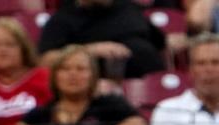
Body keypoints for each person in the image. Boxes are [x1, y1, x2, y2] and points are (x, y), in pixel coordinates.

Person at [14, 44, 147, 125]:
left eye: (81, 69)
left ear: (93, 75)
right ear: (54, 76)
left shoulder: (116, 109)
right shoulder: (38, 116)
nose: (73, 74)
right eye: (65, 69)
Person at [38, 0, 166, 80]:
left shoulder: (128, 7)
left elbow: (161, 43)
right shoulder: (63, 19)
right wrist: (91, 50)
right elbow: (45, 60)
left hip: (152, 82)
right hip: (98, 88)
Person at [150, 32, 219, 125]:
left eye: (215, 62)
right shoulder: (168, 110)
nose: (208, 69)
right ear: (190, 70)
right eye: (201, 63)